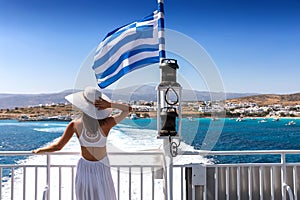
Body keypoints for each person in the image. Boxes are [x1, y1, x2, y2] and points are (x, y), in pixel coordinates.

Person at [32, 86, 132, 200]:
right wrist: (109, 105)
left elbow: (58, 146)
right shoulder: (108, 123)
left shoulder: (75, 124)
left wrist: (39, 150)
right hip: (102, 166)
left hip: (85, 166)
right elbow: (127, 109)